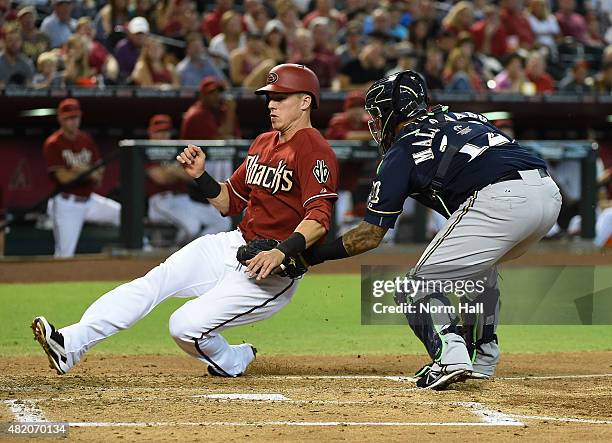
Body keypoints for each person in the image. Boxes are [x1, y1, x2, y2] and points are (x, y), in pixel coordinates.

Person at [32, 64, 339, 379]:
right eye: (270, 97)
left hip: (271, 271)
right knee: (154, 282)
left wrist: (282, 251)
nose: (272, 104)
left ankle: (232, 358)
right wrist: (201, 177)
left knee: (183, 326)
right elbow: (228, 200)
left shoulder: (315, 149)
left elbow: (319, 219)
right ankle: (70, 344)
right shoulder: (263, 142)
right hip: (234, 244)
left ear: (305, 102)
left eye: (281, 97)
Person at [261, 70, 562, 390]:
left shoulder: (402, 150)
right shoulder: (465, 117)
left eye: (377, 116)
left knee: (415, 287)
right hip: (547, 193)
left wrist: (311, 256)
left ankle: (451, 355)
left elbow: (370, 234)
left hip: (502, 198)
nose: (376, 124)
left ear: (393, 112)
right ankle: (483, 356)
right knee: (478, 273)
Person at [42, 99, 121, 258]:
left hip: (89, 200)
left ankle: (141, 248)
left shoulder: (85, 139)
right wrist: (88, 172)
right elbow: (64, 178)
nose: (73, 122)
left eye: (75, 117)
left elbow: (99, 173)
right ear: (60, 119)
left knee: (124, 213)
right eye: (68, 118)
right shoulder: (53, 143)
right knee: (65, 255)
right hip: (67, 204)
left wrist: (80, 170)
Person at [145, 114, 230, 245]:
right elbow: (160, 178)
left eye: (166, 131)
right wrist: (176, 171)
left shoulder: (175, 150)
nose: (163, 135)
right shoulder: (145, 151)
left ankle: (197, 250)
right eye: (159, 132)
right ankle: (176, 256)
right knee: (192, 226)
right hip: (160, 201)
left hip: (185, 200)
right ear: (151, 133)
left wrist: (172, 171)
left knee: (222, 221)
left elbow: (191, 176)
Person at [114, 16, 148, 82]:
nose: (140, 37)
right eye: (136, 34)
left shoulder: (152, 48)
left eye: (142, 33)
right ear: (130, 33)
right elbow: (122, 74)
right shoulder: (122, 48)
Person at [0, 23, 35, 87]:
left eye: (17, 40)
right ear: (4, 42)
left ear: (21, 42)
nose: (14, 43)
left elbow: (30, 87)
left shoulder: (27, 63)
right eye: (10, 40)